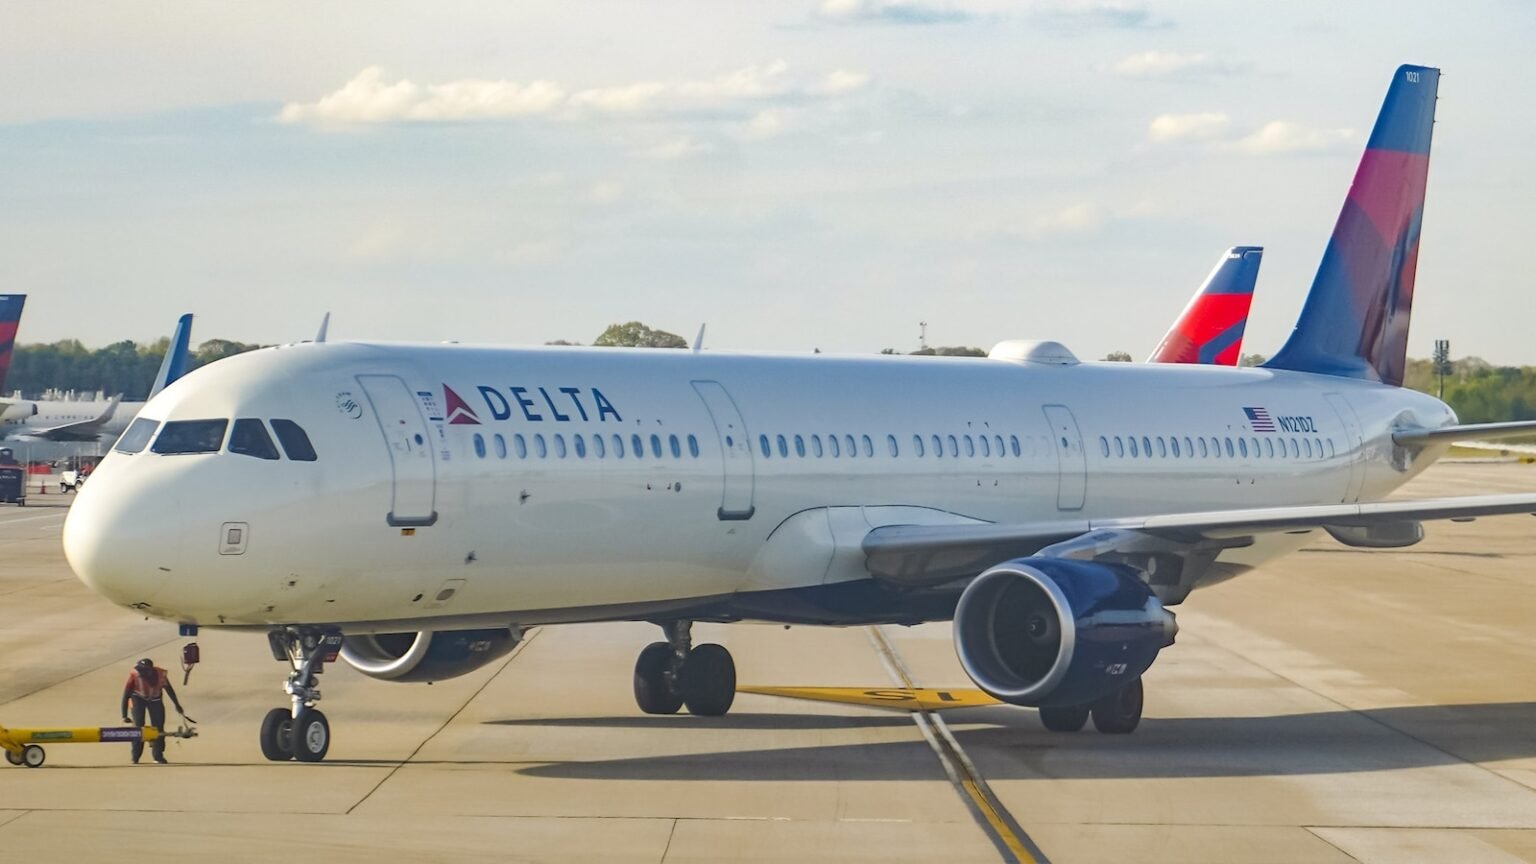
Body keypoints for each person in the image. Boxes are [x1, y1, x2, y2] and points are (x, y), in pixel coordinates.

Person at [120, 657, 185, 764]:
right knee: (138, 726)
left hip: (155, 699)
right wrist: (124, 715)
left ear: (151, 670)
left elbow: (169, 689)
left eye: (145, 670)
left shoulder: (160, 674)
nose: (142, 672)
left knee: (158, 726)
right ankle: (135, 756)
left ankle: (158, 756)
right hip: (137, 698)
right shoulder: (134, 674)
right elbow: (126, 695)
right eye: (140, 669)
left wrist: (177, 704)